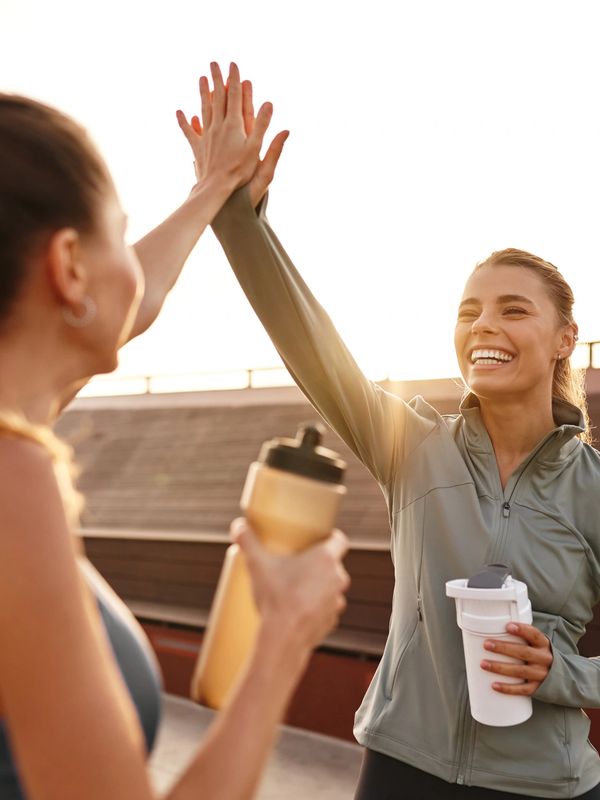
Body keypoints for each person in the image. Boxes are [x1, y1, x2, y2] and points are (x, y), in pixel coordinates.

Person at [179, 64, 600, 798]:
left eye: (512, 309)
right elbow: (314, 346)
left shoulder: (593, 489)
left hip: (548, 784)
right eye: (469, 312)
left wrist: (564, 674)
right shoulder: (412, 445)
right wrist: (239, 218)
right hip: (404, 772)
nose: (484, 327)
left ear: (565, 338)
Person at [0, 63, 350, 800]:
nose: (133, 268)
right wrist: (283, 636)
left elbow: (138, 294)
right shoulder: (13, 478)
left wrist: (213, 189)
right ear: (68, 266)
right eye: (118, 240)